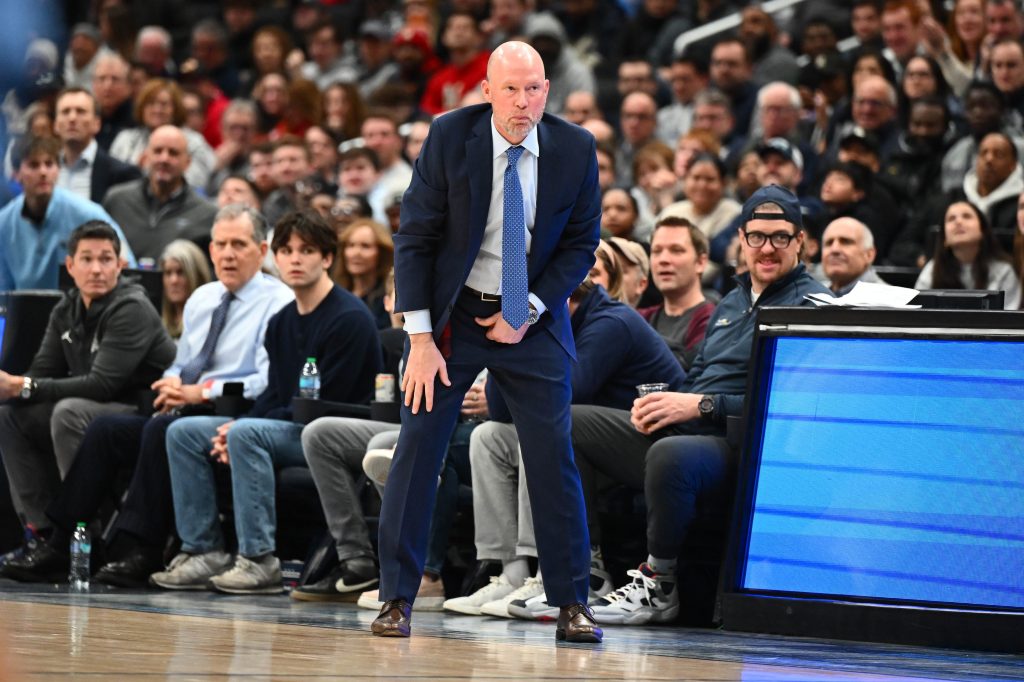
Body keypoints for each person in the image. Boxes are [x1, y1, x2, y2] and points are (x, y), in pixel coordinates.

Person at [371, 41, 602, 643]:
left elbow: (581, 244)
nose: (523, 102)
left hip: (531, 318)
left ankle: (572, 601)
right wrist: (419, 339)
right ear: (486, 91)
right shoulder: (450, 136)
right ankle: (396, 596)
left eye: (533, 89)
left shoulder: (575, 148)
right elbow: (415, 238)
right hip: (452, 316)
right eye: (510, 90)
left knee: (552, 454)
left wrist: (527, 307)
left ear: (547, 90)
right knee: (419, 445)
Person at [571, 184, 832, 626]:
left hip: (746, 444)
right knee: (566, 422)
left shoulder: (813, 305)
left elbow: (789, 407)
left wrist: (700, 406)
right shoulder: (730, 301)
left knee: (672, 453)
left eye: (780, 237)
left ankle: (660, 584)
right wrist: (662, 406)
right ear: (742, 241)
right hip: (694, 430)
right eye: (757, 237)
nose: (767, 248)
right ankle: (586, 571)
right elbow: (695, 378)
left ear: (801, 242)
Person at [6, 205, 294, 588]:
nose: (228, 254)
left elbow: (267, 380)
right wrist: (172, 384)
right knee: (108, 429)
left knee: (158, 432)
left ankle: (141, 548)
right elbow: (183, 363)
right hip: (181, 405)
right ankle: (60, 540)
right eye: (221, 244)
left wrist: (201, 390)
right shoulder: (203, 298)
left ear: (261, 251)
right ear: (210, 251)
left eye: (238, 245)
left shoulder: (278, 302)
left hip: (235, 409)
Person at [155, 211, 381, 594]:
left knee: (247, 433)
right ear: (274, 257)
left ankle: (259, 559)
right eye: (287, 251)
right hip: (286, 424)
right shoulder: (282, 321)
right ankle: (203, 550)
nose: (295, 259)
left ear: (327, 258)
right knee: (183, 432)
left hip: (331, 432)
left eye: (307, 251)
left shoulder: (349, 318)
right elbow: (275, 394)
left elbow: (329, 405)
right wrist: (230, 429)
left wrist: (243, 429)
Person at [0, 222, 175, 576]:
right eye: (87, 259)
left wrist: (23, 385)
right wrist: (21, 389)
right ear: (70, 266)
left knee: (68, 412)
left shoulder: (131, 308)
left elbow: (102, 385)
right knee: (9, 415)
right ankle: (43, 533)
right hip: (95, 408)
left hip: (141, 411)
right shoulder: (66, 309)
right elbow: (42, 371)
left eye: (106, 259)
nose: (97, 269)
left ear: (120, 265)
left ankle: (81, 533)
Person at [0, 136, 135, 291]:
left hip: (81, 310)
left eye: (49, 164)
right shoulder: (4, 223)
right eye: (34, 165)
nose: (43, 172)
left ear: (58, 170)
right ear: (16, 174)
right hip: (22, 311)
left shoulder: (88, 213)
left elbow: (128, 266)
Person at [103, 125, 219, 262]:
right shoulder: (116, 200)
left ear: (187, 162)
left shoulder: (207, 214)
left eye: (173, 153)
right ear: (145, 157)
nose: (164, 159)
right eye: (158, 151)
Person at [109, 79, 217, 189]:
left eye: (164, 104)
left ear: (175, 109)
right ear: (142, 108)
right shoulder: (125, 139)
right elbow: (112, 179)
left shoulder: (194, 142)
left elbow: (197, 182)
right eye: (151, 103)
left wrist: (149, 171)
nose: (157, 109)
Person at [638, 217, 716, 371]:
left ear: (701, 262)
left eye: (676, 250)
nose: (663, 259)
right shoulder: (641, 317)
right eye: (656, 251)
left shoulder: (714, 320)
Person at [915, 200, 1021, 308]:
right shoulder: (932, 270)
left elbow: (1008, 319)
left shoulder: (1004, 272)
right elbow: (918, 314)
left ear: (983, 231)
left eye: (967, 216)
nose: (958, 222)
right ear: (944, 239)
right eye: (951, 219)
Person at [54, 87, 141, 204]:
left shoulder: (122, 175)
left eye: (80, 111)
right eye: (65, 112)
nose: (72, 118)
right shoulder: (42, 170)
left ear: (97, 124)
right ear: (56, 124)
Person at [333, 219, 395, 330]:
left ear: (382, 252)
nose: (356, 253)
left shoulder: (390, 297)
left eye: (365, 246)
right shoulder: (333, 294)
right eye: (351, 245)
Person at [159, 240, 213, 340]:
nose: (173, 280)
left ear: (197, 276)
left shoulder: (210, 323)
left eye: (180, 272)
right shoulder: (157, 325)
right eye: (168, 273)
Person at [818, 217, 886, 295]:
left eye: (846, 242)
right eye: (829, 243)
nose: (834, 249)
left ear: (869, 255)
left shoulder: (889, 301)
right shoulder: (812, 294)